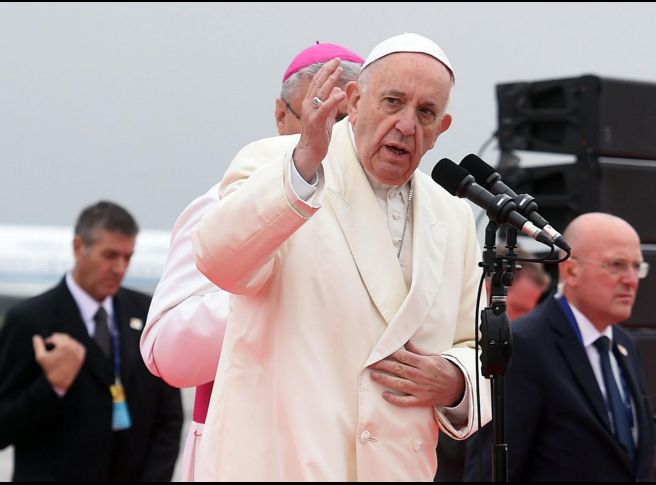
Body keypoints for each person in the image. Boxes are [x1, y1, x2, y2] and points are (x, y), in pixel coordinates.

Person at [190, 33, 489, 481]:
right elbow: (219, 260)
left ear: (441, 129)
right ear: (354, 100)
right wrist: (303, 165)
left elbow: (480, 347)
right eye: (392, 102)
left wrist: (455, 380)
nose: (407, 125)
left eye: (425, 112)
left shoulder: (453, 215)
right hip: (283, 464)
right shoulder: (281, 164)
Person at [140, 42, 363, 481]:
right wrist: (269, 298)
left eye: (349, 123)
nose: (334, 137)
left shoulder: (379, 222)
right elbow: (166, 351)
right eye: (323, 116)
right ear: (282, 116)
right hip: (246, 452)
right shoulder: (223, 205)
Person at [0, 201, 183, 481]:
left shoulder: (148, 314)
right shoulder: (30, 320)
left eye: (127, 257)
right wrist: (52, 387)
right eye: (110, 255)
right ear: (79, 247)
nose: (119, 268)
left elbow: (168, 419)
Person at [465, 212, 656, 481]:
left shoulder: (625, 347)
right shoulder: (525, 345)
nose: (631, 280)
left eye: (637, 267)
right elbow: (493, 470)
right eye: (616, 265)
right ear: (571, 270)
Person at [434, 249, 550, 481]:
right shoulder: (443, 338)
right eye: (519, 310)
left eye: (533, 312)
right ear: (488, 293)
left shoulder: (527, 352)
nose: (525, 324)